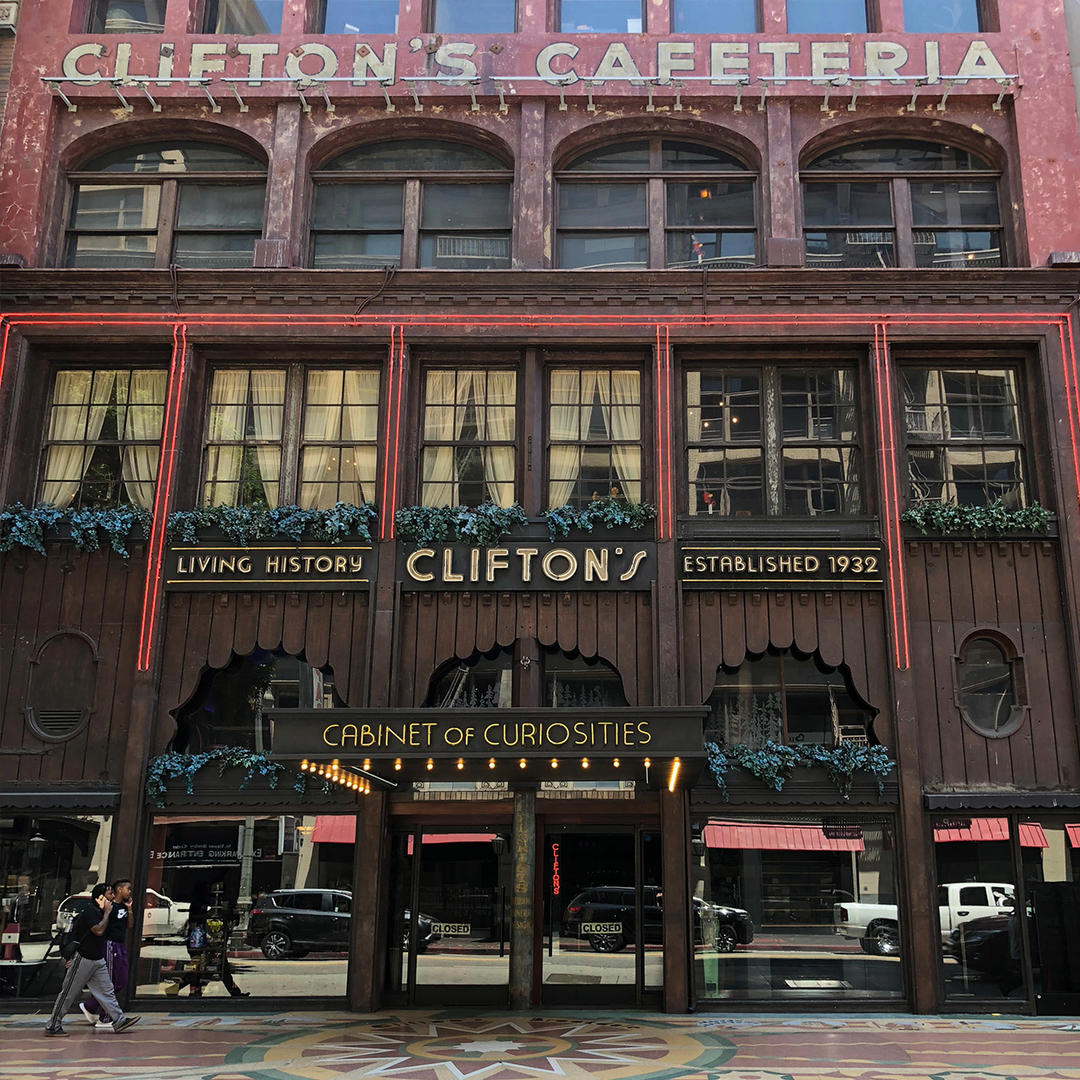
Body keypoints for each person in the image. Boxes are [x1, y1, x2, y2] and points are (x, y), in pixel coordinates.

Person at [43, 883, 140, 1036]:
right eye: (109, 895)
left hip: (97, 959)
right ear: (100, 897)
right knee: (69, 992)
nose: (113, 897)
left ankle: (118, 1020)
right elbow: (99, 930)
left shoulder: (102, 912)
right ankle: (53, 1024)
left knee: (107, 991)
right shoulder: (91, 912)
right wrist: (107, 913)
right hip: (84, 958)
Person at [79, 878, 133, 1026]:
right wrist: (107, 911)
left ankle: (90, 1005)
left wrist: (129, 908)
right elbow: (100, 927)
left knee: (121, 980)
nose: (129, 891)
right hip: (110, 945)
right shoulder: (109, 907)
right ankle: (105, 1018)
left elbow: (130, 925)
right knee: (110, 981)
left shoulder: (123, 906)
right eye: (128, 888)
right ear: (119, 889)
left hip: (121, 945)